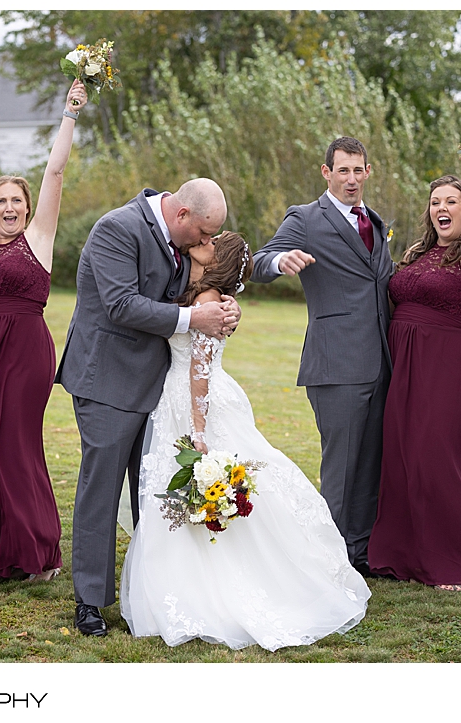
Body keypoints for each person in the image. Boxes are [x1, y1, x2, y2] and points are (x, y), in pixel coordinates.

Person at [121, 232, 370, 650]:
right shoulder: (201, 294)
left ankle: (212, 589)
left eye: (212, 240)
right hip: (187, 397)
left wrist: (197, 431)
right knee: (188, 492)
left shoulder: (206, 301)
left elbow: (198, 370)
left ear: (217, 259)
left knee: (197, 484)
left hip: (196, 404)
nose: (205, 238)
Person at [56, 178, 240, 636]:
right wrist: (194, 317)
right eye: (202, 234)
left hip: (157, 387)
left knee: (151, 491)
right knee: (101, 490)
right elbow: (121, 305)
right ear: (181, 215)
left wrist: (224, 308)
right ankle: (92, 602)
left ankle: (152, 592)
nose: (206, 243)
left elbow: (193, 291)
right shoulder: (116, 229)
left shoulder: (181, 238)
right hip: (108, 380)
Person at [250, 137, 393, 578]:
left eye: (358, 170)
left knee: (372, 461)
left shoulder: (376, 220)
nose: (351, 179)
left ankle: (361, 552)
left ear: (368, 173)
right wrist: (281, 261)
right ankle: (330, 556)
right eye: (342, 170)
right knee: (343, 465)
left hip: (382, 360)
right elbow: (258, 261)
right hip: (336, 364)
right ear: (326, 172)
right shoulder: (307, 218)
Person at [0, 80, 87, 581]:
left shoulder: (38, 238)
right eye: (1, 201)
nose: (9, 208)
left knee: (16, 444)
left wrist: (70, 114)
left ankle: (40, 550)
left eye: (17, 200)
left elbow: (54, 170)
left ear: (29, 208)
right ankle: (3, 550)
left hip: (25, 351)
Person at [367, 159, 461, 591]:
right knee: (403, 456)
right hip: (403, 366)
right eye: (435, 202)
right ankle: (404, 556)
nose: (441, 208)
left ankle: (459, 563)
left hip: (445, 367)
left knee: (437, 460)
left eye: (452, 201)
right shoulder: (418, 254)